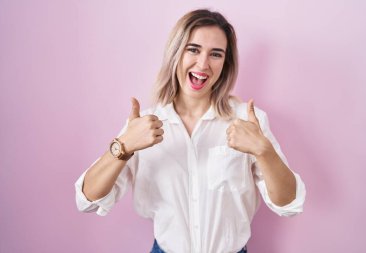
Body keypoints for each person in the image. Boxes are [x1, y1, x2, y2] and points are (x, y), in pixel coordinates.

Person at [75, 9, 306, 253]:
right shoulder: (142, 125)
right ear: (176, 53)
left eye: (215, 54)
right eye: (193, 49)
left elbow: (288, 204)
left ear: (225, 64)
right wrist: (123, 147)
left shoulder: (249, 121)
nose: (203, 64)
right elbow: (86, 200)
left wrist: (264, 151)